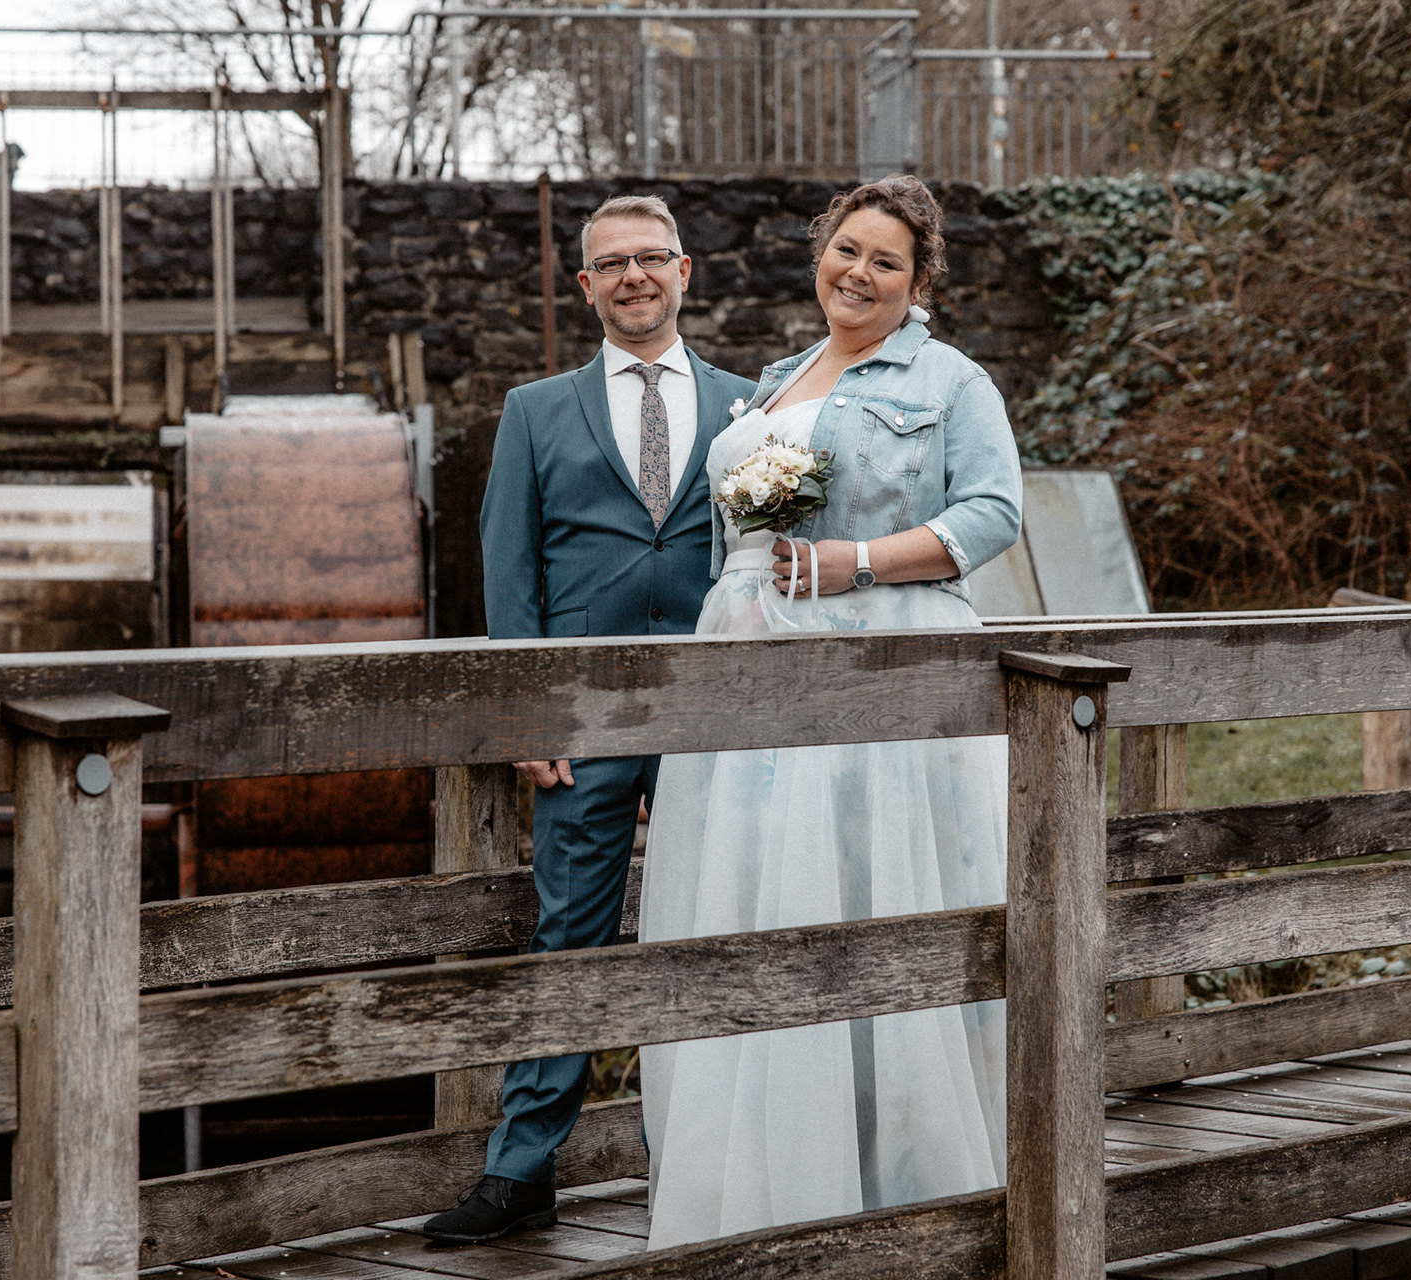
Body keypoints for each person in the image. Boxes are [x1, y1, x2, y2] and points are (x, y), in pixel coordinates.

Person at [637, 174, 1024, 1249]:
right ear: (821, 252)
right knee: (755, 908)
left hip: (876, 676)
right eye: (846, 250)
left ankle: (906, 1192)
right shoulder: (773, 379)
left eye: (886, 261)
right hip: (751, 681)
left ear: (919, 281)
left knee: (869, 901)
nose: (859, 272)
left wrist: (853, 563)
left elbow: (993, 512)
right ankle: (766, 1190)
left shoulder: (950, 379)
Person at [422, 195, 756, 1245]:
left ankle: (729, 1155)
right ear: (584, 285)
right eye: (609, 265)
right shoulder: (534, 409)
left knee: (727, 928)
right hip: (586, 719)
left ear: (685, 270)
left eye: (650, 259)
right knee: (571, 933)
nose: (632, 278)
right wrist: (526, 708)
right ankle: (521, 1170)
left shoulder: (755, 408)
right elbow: (507, 568)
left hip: (717, 716)